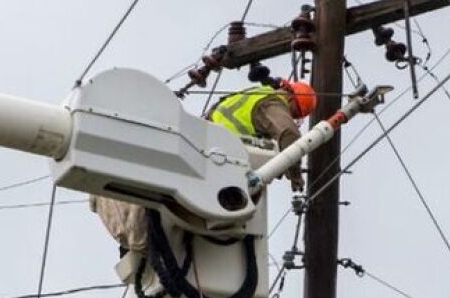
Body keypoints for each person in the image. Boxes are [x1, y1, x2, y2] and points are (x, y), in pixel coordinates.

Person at [92, 80, 317, 258]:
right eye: (295, 112)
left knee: (176, 206)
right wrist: (294, 174)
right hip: (221, 163)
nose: (293, 116)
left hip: (207, 158)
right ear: (292, 100)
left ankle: (143, 238)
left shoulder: (250, 96)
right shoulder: (272, 102)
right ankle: (147, 235)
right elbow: (289, 136)